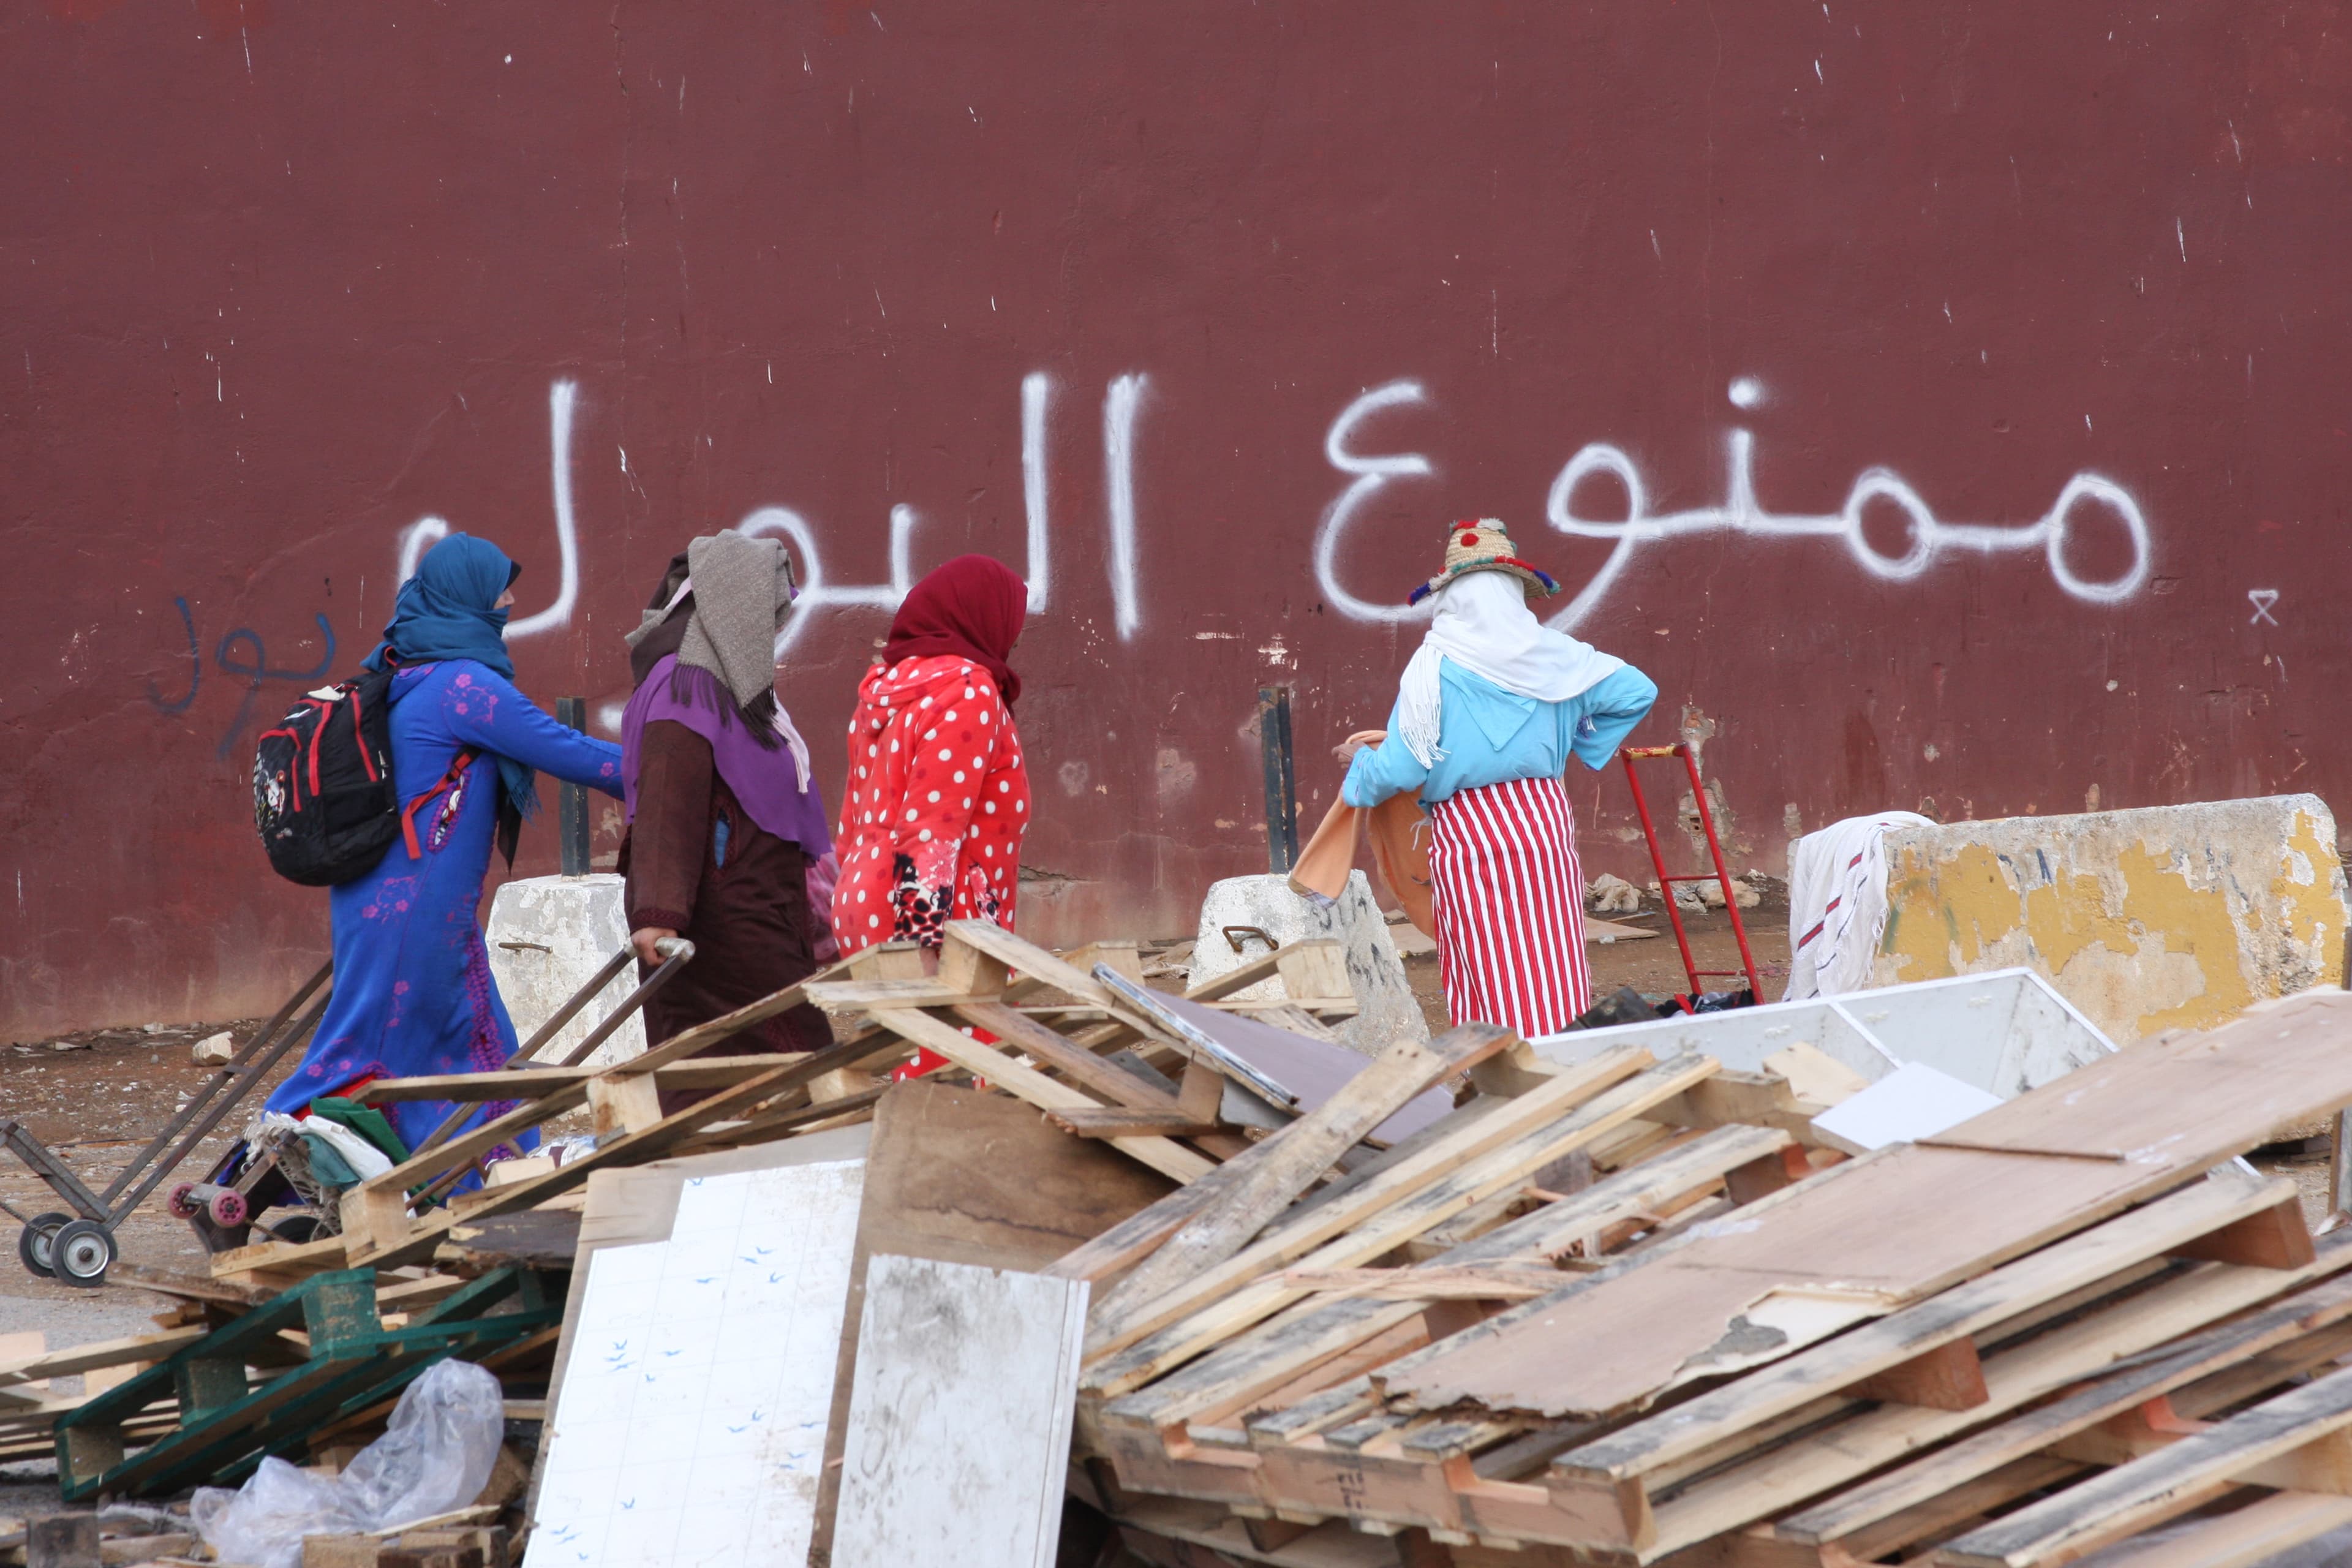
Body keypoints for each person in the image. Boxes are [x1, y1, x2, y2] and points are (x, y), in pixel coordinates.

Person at [262, 533, 625, 1153]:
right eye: (499, 589)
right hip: (415, 911)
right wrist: (678, 772)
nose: (509, 601)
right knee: (367, 1052)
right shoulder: (463, 687)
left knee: (475, 1049)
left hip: (392, 900)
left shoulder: (404, 667)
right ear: (467, 598)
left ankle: (481, 1179)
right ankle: (261, 1163)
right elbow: (570, 752)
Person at [1338, 519, 1657, 1038]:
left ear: (1453, 597)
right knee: (1552, 955)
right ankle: (1561, 1061)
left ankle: (1499, 1073)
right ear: (1514, 593)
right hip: (1543, 820)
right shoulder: (1558, 659)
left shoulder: (1433, 668)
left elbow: (1403, 766)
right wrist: (1575, 739)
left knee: (1487, 960)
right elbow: (1637, 692)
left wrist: (1357, 776)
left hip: (1470, 827)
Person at [620, 532, 835, 1109]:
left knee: (740, 1069)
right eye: (767, 612)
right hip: (719, 923)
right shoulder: (684, 685)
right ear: (735, 607)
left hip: (746, 910)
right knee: (771, 1063)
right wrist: (659, 915)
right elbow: (668, 799)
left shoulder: (723, 684)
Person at [832, 555, 1030, 960]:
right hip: (935, 926)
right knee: (951, 1027)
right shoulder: (968, 692)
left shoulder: (886, 692)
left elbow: (851, 827)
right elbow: (932, 833)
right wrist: (922, 944)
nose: (1012, 641)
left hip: (863, 905)